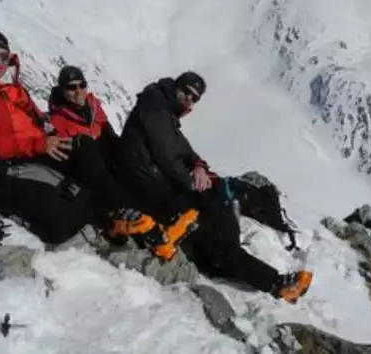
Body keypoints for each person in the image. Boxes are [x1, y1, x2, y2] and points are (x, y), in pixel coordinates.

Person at [115, 70, 313, 303]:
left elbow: (181, 148)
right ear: (176, 87)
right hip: (147, 187)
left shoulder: (162, 109)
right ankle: (265, 278)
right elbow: (166, 155)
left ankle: (236, 260)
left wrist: (199, 166)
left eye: (194, 97)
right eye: (186, 92)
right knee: (212, 205)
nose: (189, 99)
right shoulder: (156, 109)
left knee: (216, 193)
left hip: (154, 181)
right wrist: (192, 181)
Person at [0, 29, 90, 245]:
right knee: (62, 221)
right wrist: (38, 144)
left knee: (86, 161)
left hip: (29, 153)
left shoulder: (12, 89)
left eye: (3, 57)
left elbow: (36, 115)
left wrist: (49, 134)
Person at [47, 65, 192, 251]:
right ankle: (129, 221)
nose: (78, 92)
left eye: (81, 85)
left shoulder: (93, 106)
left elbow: (110, 137)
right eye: (71, 87)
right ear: (62, 90)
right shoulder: (56, 121)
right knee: (92, 155)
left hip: (107, 164)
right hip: (88, 172)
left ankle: (163, 215)